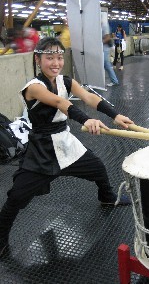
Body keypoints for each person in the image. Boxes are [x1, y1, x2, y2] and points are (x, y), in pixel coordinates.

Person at [0, 37, 133, 257]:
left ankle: (107, 196)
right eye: (49, 58)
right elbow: (62, 103)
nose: (56, 63)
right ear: (38, 59)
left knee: (98, 168)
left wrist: (116, 115)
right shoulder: (33, 87)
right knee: (16, 197)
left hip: (65, 143)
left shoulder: (66, 81)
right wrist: (86, 121)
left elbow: (89, 98)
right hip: (41, 150)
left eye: (59, 58)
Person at [102, 23, 119, 87]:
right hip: (104, 49)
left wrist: (99, 42)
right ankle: (114, 81)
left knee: (107, 65)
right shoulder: (102, 26)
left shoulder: (104, 26)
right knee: (107, 66)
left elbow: (108, 38)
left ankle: (114, 81)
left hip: (105, 49)